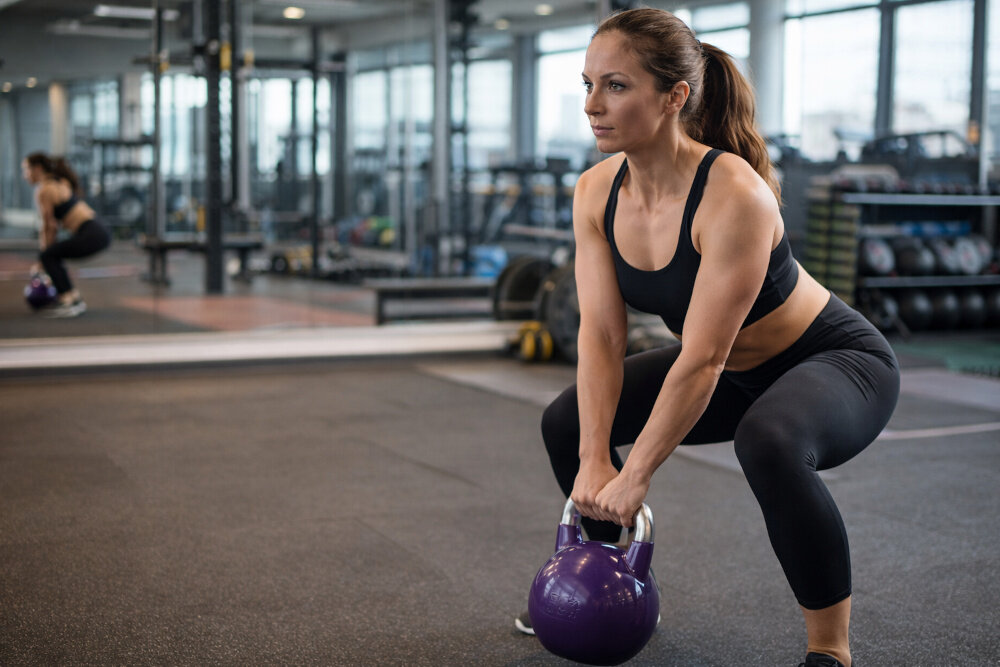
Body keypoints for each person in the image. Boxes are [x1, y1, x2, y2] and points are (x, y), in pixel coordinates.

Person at [515, 9, 899, 667]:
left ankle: (830, 649)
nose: (592, 105)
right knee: (568, 422)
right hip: (731, 369)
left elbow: (702, 357)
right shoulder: (596, 192)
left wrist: (636, 473)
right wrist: (595, 459)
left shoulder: (734, 195)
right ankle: (615, 586)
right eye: (588, 84)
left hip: (835, 361)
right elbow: (602, 336)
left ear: (675, 97)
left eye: (615, 86)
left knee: (769, 441)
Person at [22, 152, 110, 318]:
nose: (25, 175)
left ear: (37, 168)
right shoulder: (59, 181)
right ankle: (73, 298)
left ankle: (69, 300)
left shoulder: (44, 189)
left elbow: (49, 226)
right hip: (99, 230)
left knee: (49, 255)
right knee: (53, 255)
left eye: (26, 170)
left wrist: (42, 259)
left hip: (92, 232)